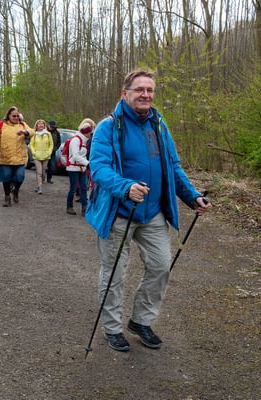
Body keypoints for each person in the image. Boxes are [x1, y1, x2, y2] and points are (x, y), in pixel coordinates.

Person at [85, 68, 210, 352]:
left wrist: (192, 197)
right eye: (139, 89)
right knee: (114, 273)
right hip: (118, 212)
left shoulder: (159, 125)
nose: (145, 95)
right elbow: (99, 168)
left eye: (149, 90)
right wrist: (126, 186)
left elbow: (173, 166)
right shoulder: (108, 126)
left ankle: (141, 321)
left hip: (152, 213)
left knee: (161, 266)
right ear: (125, 93)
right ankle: (112, 327)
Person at [0, 106, 34, 207]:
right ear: (8, 115)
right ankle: (7, 197)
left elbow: (32, 132)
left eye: (17, 116)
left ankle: (16, 191)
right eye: (14, 116)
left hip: (19, 156)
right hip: (5, 156)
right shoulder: (1, 125)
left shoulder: (22, 124)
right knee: (6, 178)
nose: (16, 118)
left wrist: (25, 132)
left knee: (20, 177)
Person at [65, 119, 93, 215]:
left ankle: (84, 208)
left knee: (84, 188)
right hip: (73, 168)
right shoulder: (76, 140)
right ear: (86, 132)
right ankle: (69, 206)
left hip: (82, 168)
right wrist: (87, 163)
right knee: (73, 188)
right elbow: (75, 156)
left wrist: (86, 164)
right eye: (90, 132)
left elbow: (82, 155)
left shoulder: (83, 141)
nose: (91, 134)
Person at [29, 119, 53, 194]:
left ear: (44, 125)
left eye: (42, 124)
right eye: (39, 124)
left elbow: (51, 144)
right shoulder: (34, 134)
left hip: (46, 156)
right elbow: (31, 144)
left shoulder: (48, 134)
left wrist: (49, 153)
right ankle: (40, 187)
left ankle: (40, 184)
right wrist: (34, 152)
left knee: (43, 172)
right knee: (39, 172)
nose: (41, 125)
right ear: (36, 125)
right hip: (37, 156)